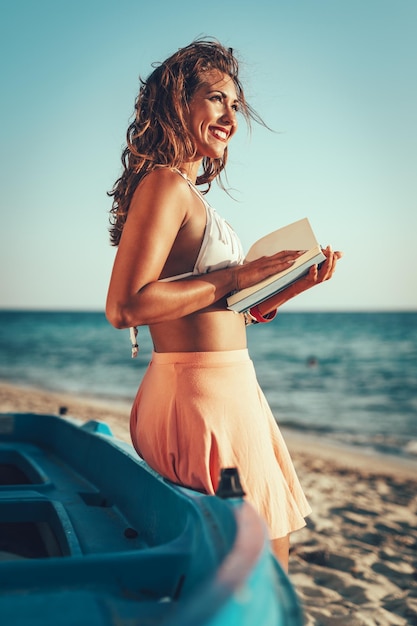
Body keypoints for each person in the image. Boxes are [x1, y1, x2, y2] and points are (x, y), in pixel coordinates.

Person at [106, 39, 342, 571]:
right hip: (208, 399)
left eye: (235, 105)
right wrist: (238, 273)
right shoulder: (165, 184)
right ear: (176, 101)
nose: (230, 116)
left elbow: (211, 307)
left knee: (233, 561)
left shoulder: (184, 192)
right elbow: (125, 306)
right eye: (216, 99)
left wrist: (280, 289)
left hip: (210, 390)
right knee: (264, 564)